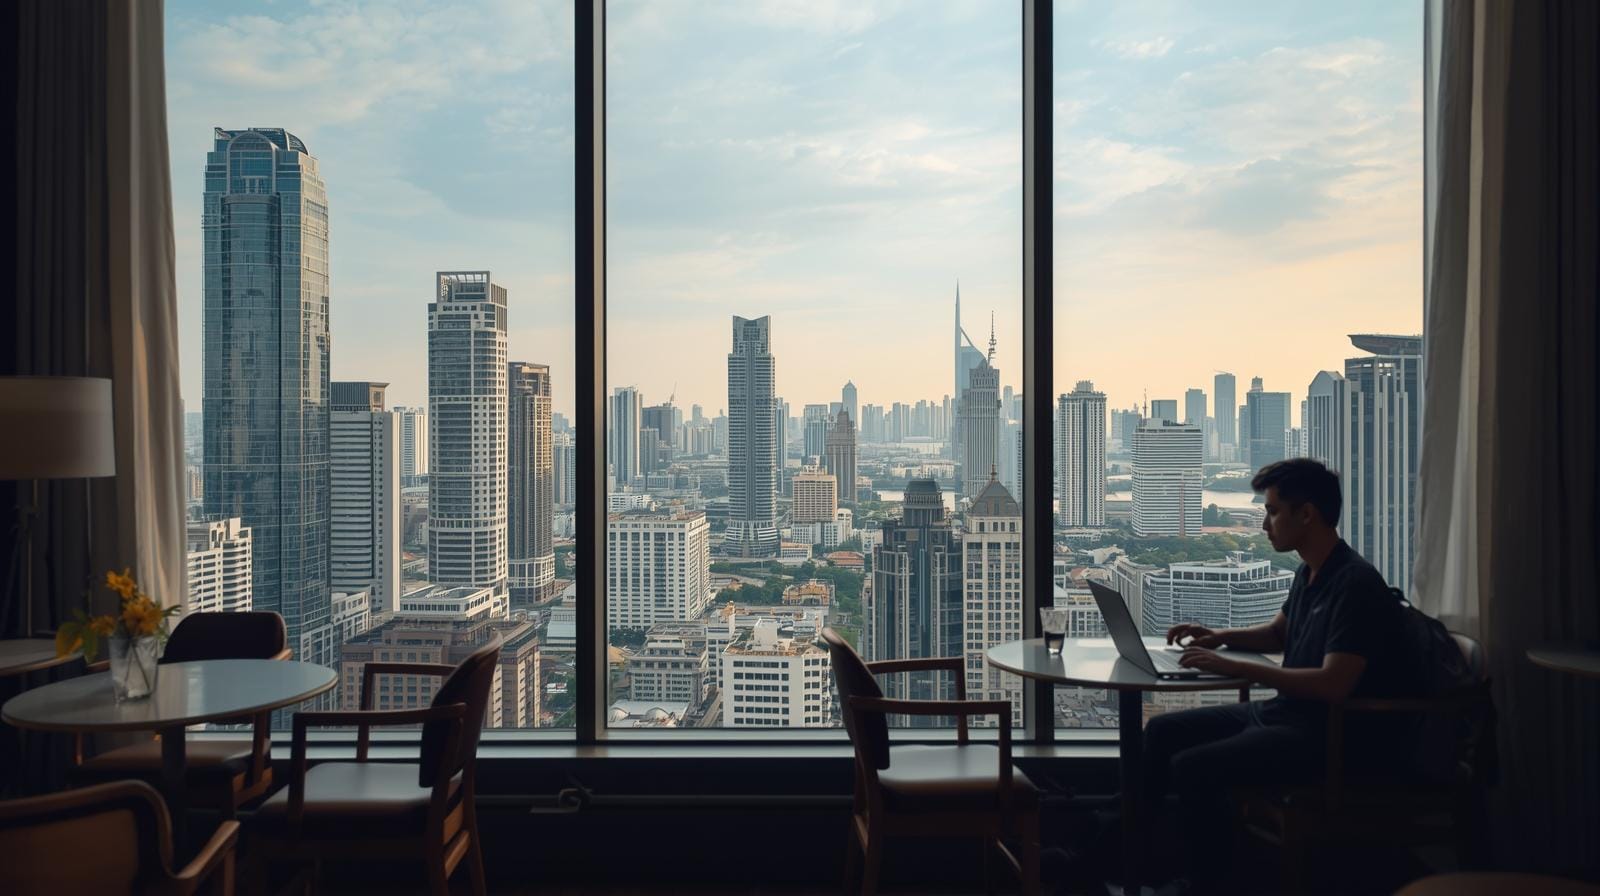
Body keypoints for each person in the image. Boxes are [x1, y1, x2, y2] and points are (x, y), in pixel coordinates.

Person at [1142, 458, 1410, 891]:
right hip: (1286, 715)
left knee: (1193, 768)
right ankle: (1130, 859)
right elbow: (1277, 633)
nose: (1264, 525)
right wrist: (1217, 636)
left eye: (1271, 512)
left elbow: (1333, 683)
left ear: (1307, 514)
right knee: (1160, 733)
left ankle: (1207, 883)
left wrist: (1235, 667)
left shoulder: (1355, 584)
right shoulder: (1309, 571)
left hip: (1323, 736)